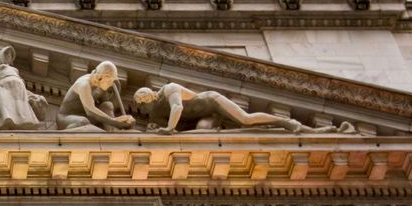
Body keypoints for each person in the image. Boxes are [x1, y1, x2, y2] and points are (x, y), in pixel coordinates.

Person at [132, 81, 311, 133]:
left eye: (142, 108)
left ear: (145, 98)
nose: (142, 113)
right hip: (203, 119)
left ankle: (286, 122)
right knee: (202, 133)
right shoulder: (155, 115)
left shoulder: (168, 89)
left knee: (246, 120)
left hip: (213, 103)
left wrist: (169, 128)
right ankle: (272, 129)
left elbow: (177, 107)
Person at [0, 44, 45, 130]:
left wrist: (34, 95)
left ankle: (22, 124)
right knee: (5, 113)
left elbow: (23, 88)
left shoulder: (15, 70)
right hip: (4, 89)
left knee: (22, 114)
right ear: (2, 55)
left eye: (10, 54)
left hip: (19, 93)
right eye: (7, 53)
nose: (9, 56)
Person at [57, 61, 135, 131]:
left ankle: (113, 132)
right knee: (82, 122)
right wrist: (115, 121)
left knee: (107, 105)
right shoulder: (84, 84)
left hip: (87, 117)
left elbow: (107, 106)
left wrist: (124, 120)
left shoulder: (100, 85)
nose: (111, 84)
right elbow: (90, 111)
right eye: (109, 81)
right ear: (101, 77)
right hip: (67, 118)